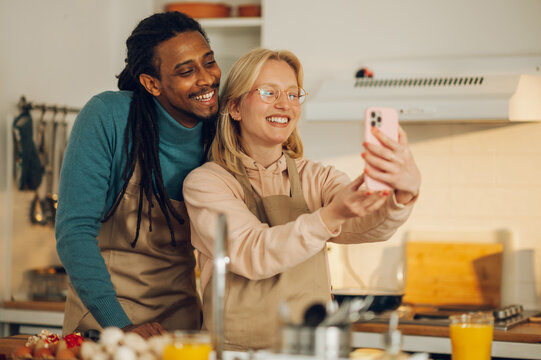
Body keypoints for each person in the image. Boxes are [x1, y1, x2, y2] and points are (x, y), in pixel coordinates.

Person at [183, 48, 421, 350]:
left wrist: (402, 195)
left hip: (312, 351)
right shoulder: (208, 183)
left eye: (293, 95)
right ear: (235, 108)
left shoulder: (318, 178)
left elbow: (367, 224)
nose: (285, 104)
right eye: (269, 92)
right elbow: (252, 253)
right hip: (236, 354)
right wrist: (330, 216)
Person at [55, 11, 221, 338]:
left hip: (181, 324)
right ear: (151, 83)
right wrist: (121, 326)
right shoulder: (108, 118)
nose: (206, 79)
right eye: (187, 71)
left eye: (209, 62)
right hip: (104, 324)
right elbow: (73, 232)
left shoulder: (221, 133)